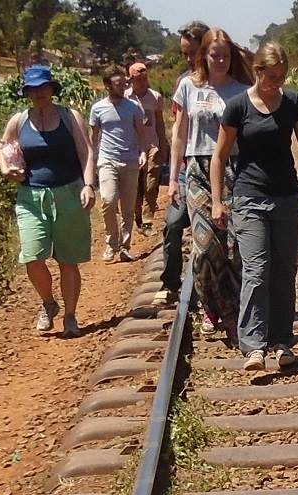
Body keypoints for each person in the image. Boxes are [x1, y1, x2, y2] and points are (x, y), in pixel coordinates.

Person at [211, 41, 298, 370]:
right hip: (249, 197)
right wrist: (218, 201)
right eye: (271, 76)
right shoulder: (238, 107)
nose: (277, 82)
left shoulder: (293, 102)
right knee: (256, 269)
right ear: (257, 71)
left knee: (284, 271)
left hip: (288, 198)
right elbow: (219, 156)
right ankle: (252, 345)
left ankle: (281, 340)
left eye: (281, 76)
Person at [0, 65, 95, 338]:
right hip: (30, 197)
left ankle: (71, 316)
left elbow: (86, 152)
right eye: (32, 89)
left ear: (52, 89)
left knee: (67, 259)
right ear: (26, 92)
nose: (38, 93)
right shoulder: (19, 120)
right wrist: (6, 168)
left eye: (42, 87)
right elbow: (3, 149)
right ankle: (48, 303)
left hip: (69, 193)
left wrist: (88, 185)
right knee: (32, 256)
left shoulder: (69, 116)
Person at [170, 27, 253, 339]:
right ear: (204, 55)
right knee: (205, 248)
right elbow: (178, 133)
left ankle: (232, 311)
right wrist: (174, 177)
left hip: (235, 168)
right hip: (198, 169)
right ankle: (211, 305)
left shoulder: (243, 89)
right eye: (214, 54)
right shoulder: (188, 87)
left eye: (226, 55)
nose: (220, 60)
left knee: (232, 247)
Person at [152, 20, 209, 306]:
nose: (189, 59)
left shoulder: (226, 80)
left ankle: (213, 291)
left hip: (218, 171)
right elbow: (178, 132)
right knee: (173, 225)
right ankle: (170, 282)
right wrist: (173, 177)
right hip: (189, 169)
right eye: (184, 54)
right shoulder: (183, 83)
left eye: (193, 52)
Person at [88, 65, 147, 262]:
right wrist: (92, 160)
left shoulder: (133, 107)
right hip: (107, 159)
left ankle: (125, 246)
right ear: (107, 85)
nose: (122, 87)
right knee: (108, 200)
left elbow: (141, 132)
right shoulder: (98, 109)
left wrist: (143, 152)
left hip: (130, 160)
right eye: (117, 83)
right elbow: (93, 137)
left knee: (128, 206)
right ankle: (111, 242)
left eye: (124, 83)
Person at [126, 62, 168, 235]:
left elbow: (159, 123)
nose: (142, 82)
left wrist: (163, 145)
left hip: (152, 146)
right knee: (135, 185)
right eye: (138, 79)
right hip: (132, 147)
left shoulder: (155, 97)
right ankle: (137, 216)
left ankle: (148, 220)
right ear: (131, 80)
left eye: (145, 79)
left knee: (151, 184)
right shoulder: (125, 97)